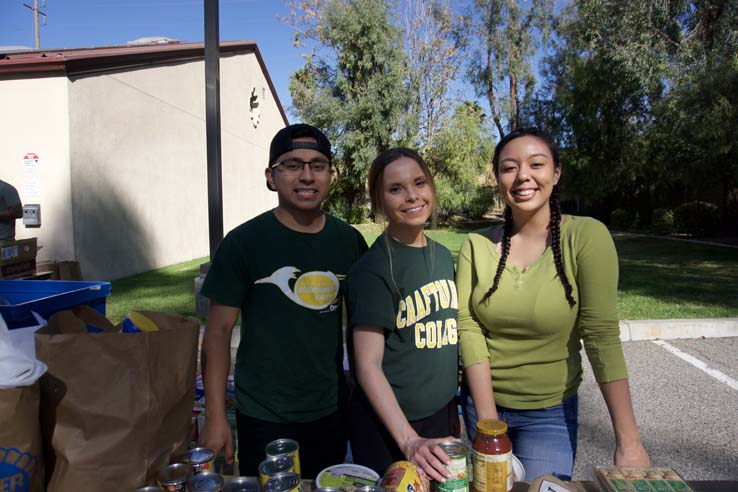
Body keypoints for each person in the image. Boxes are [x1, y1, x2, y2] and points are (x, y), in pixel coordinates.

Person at [456, 128, 651, 481]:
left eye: (536, 164)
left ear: (556, 173)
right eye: (509, 167)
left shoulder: (585, 236)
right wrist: (489, 428)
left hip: (550, 414)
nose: (522, 176)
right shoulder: (476, 246)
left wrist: (629, 442)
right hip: (483, 408)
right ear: (499, 178)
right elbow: (469, 328)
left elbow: (601, 335)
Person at [199, 124, 368, 478]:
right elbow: (217, 333)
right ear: (271, 177)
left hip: (330, 409)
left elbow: (361, 327)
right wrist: (216, 417)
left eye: (318, 165)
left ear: (330, 176)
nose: (307, 176)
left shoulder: (349, 242)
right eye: (292, 165)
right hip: (264, 413)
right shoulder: (243, 243)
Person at [347, 148, 460, 482]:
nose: (412, 196)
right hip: (391, 428)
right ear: (379, 202)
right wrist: (409, 440)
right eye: (395, 189)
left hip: (440, 415)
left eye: (419, 183)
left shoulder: (442, 256)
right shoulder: (373, 269)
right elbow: (367, 365)